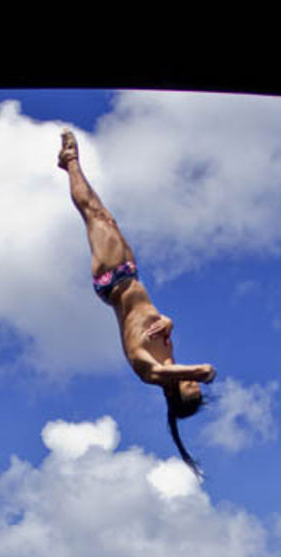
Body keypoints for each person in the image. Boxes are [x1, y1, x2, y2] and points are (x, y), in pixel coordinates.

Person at [58, 129, 216, 475]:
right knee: (105, 217)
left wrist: (201, 373)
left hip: (111, 281)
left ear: (174, 391)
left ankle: (70, 161)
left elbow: (162, 370)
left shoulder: (151, 372)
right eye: (192, 383)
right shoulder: (169, 356)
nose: (190, 379)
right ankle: (70, 165)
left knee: (93, 215)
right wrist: (169, 322)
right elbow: (153, 320)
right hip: (130, 273)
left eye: (187, 385)